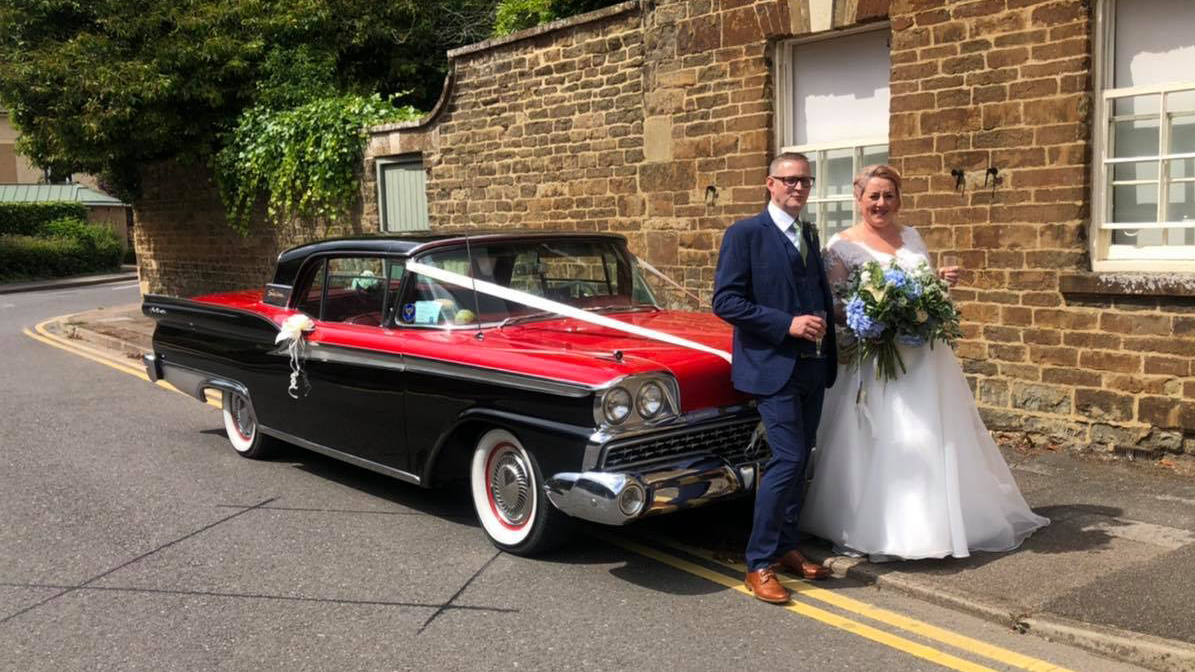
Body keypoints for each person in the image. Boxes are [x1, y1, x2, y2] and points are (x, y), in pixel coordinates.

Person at [799, 164, 1049, 562]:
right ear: (859, 199)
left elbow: (922, 284)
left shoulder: (912, 236)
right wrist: (875, 313)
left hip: (924, 359)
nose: (882, 204)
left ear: (898, 198)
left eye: (889, 195)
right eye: (874, 196)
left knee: (933, 433)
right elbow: (832, 306)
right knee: (887, 437)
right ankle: (881, 527)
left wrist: (937, 282)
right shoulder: (840, 246)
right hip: (876, 356)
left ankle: (944, 523)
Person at [712, 152, 837, 604]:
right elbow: (726, 302)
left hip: (814, 365)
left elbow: (818, 294)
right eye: (790, 180)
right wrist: (786, 323)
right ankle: (758, 562)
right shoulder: (745, 234)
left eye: (805, 180)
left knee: (802, 458)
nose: (799, 188)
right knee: (785, 460)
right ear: (770, 183)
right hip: (772, 367)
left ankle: (786, 547)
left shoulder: (808, 232)